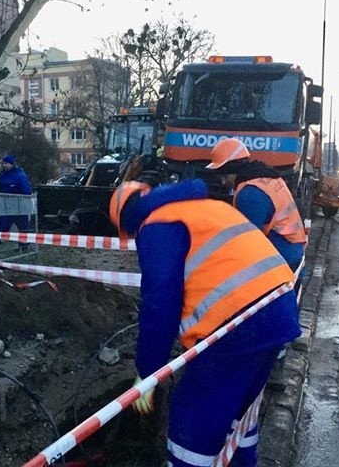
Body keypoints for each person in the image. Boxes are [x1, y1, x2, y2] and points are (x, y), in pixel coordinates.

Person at [109, 179, 301, 467]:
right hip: (278, 309)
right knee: (238, 412)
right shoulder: (208, 207)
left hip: (238, 325)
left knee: (193, 417)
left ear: (128, 220)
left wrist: (148, 374)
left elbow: (160, 304)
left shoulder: (157, 223)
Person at [205, 138, 306, 274]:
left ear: (233, 170)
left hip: (281, 256)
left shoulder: (250, 194)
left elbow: (249, 243)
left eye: (224, 176)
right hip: (293, 249)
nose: (223, 182)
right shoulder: (266, 177)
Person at [0, 155, 32, 250]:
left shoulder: (20, 175)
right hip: (7, 207)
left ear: (12, 164)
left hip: (19, 207)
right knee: (3, 225)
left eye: (6, 163)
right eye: (3, 163)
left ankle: (24, 245)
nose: (4, 165)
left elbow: (26, 191)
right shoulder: (2, 175)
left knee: (23, 227)